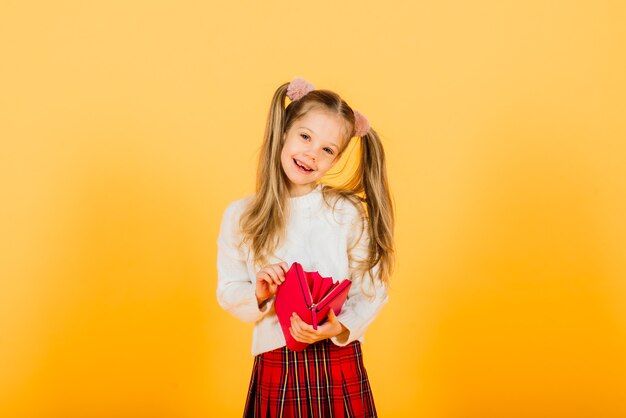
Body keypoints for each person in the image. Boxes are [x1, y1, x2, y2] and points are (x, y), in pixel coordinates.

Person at [216, 77, 395, 418]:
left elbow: (373, 289)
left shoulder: (345, 212)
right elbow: (228, 290)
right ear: (284, 131)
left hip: (338, 361)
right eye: (305, 136)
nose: (312, 153)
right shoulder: (241, 215)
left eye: (327, 149)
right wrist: (260, 293)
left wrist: (339, 327)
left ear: (336, 159)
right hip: (277, 364)